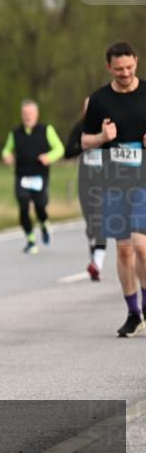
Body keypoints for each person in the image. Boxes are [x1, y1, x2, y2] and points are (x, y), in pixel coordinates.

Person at [81, 42, 146, 337]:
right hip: (113, 182)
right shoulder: (99, 100)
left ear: (136, 63)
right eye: (119, 69)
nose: (125, 73)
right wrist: (102, 136)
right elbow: (84, 141)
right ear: (109, 67)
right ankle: (134, 313)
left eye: (130, 68)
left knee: (142, 247)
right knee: (123, 251)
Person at [1, 100, 64, 254]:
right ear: (22, 115)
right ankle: (30, 239)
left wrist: (49, 157)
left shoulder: (46, 130)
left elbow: (60, 148)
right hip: (22, 176)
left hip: (40, 176)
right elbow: (6, 149)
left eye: (31, 114)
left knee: (40, 206)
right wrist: (7, 156)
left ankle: (44, 223)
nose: (28, 117)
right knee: (23, 206)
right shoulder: (15, 133)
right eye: (25, 114)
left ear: (37, 115)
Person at [64, 99, 107, 281]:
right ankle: (94, 257)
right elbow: (67, 153)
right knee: (91, 223)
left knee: (100, 221)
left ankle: (97, 263)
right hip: (85, 181)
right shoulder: (80, 127)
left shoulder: (108, 128)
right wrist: (82, 147)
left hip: (105, 181)